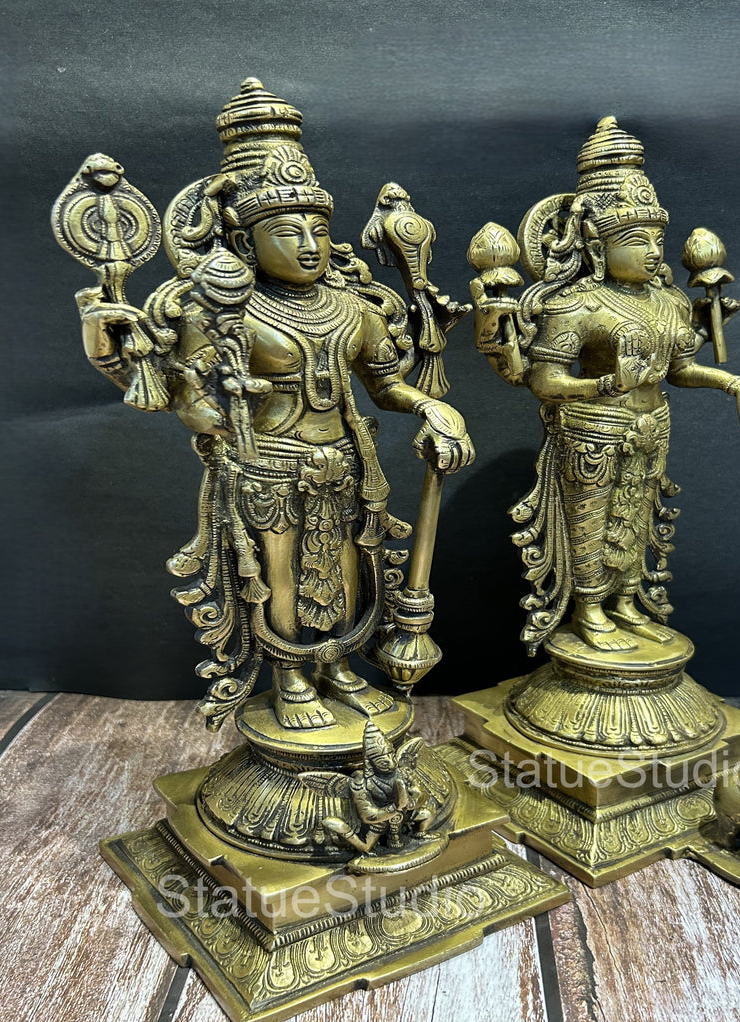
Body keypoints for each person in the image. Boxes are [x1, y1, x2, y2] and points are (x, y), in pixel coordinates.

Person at [74, 79, 473, 730]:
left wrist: (430, 407)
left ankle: (339, 667)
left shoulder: (352, 308)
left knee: (349, 567)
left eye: (319, 229)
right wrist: (205, 405)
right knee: (278, 575)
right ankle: (291, 678)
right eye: (288, 232)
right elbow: (185, 396)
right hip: (269, 467)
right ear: (244, 240)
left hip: (347, 465)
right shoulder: (226, 311)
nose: (310, 245)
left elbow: (385, 385)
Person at [470, 116, 740, 655]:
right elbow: (545, 380)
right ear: (596, 245)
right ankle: (589, 608)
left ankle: (628, 602)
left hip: (652, 424)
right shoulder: (578, 303)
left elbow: (679, 369)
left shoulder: (669, 301)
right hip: (592, 430)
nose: (654, 251)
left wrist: (734, 383)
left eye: (658, 239)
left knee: (636, 511)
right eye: (636, 240)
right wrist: (607, 383)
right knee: (590, 516)